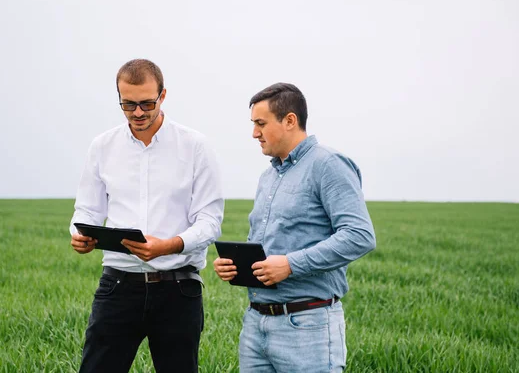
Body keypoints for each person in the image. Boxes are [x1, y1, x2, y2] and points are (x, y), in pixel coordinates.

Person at [69, 59, 224, 373]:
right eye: (128, 104)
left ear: (163, 96)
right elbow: (86, 209)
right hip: (117, 286)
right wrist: (79, 233)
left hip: (178, 288)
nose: (138, 112)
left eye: (147, 103)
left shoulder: (195, 147)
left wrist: (168, 245)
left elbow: (210, 221)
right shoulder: (102, 147)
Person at [213, 83, 376, 372]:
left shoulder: (328, 165)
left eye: (261, 124)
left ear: (290, 120)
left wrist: (290, 265)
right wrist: (237, 267)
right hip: (255, 324)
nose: (254, 133)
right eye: (253, 124)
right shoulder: (268, 176)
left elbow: (359, 236)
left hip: (307, 328)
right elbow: (270, 246)